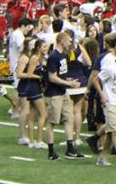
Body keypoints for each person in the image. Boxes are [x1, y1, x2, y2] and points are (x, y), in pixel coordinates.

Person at [44, 32, 84, 160]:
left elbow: (61, 75)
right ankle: (51, 151)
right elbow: (52, 77)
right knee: (52, 121)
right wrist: (68, 83)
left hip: (63, 91)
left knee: (69, 118)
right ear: (62, 41)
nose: (70, 43)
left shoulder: (63, 55)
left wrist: (69, 80)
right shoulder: (54, 56)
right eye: (69, 41)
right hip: (54, 93)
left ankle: (70, 148)